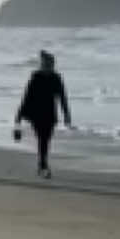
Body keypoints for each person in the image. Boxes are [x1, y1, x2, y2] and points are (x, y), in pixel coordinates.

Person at [15, 50, 72, 179]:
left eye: (50, 64)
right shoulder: (36, 76)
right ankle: (43, 166)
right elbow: (27, 97)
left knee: (46, 140)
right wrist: (18, 117)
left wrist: (67, 114)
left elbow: (62, 97)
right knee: (42, 139)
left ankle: (42, 164)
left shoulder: (56, 77)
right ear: (42, 64)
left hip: (50, 114)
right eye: (46, 64)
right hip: (36, 114)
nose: (48, 66)